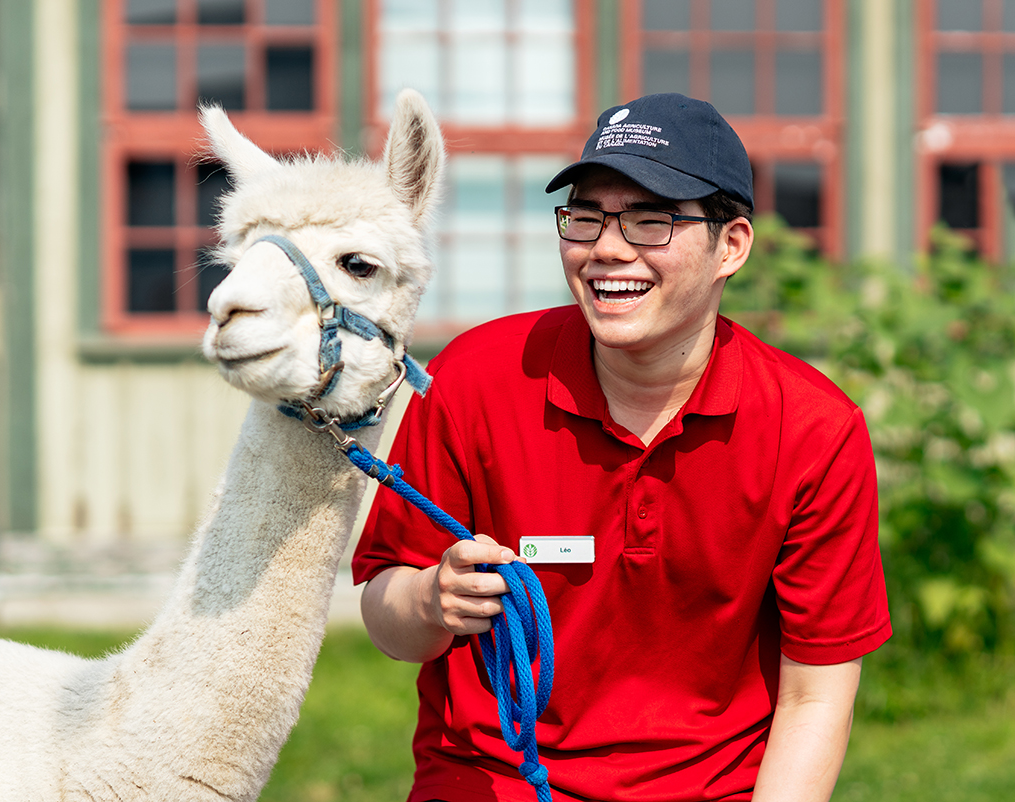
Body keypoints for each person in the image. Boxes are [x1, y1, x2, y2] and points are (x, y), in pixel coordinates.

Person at [352, 93, 891, 802]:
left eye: (650, 219)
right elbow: (388, 623)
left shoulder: (814, 429)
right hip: (492, 784)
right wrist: (430, 597)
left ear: (731, 245)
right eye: (585, 217)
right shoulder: (475, 379)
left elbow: (815, 698)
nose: (607, 248)